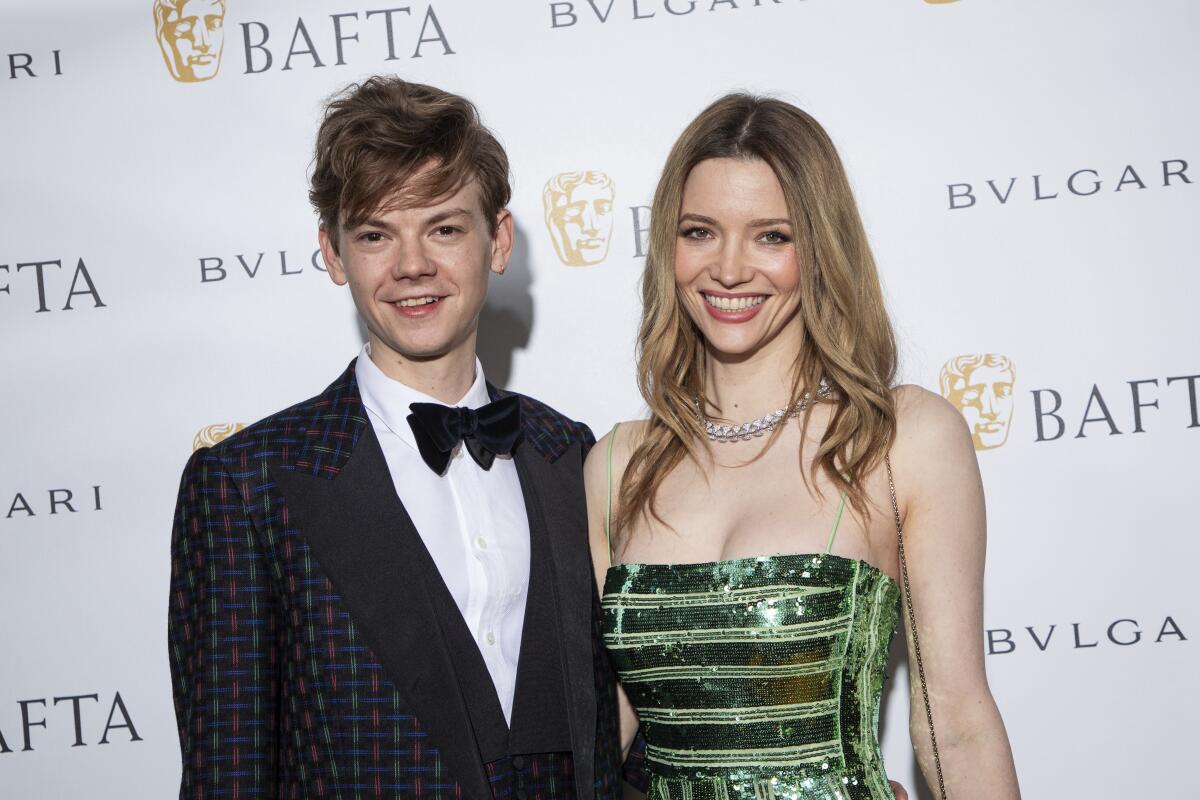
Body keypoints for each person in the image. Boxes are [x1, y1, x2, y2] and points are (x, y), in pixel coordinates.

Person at [168, 76, 624, 800]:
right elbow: (229, 775)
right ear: (333, 253)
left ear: (497, 240)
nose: (412, 265)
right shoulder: (246, 485)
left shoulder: (570, 452)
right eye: (377, 234)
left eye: (444, 227)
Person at [585, 94, 1020, 799]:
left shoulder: (897, 438)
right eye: (700, 231)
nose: (728, 269)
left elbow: (956, 722)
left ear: (820, 247)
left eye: (771, 236)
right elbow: (599, 741)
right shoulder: (617, 466)